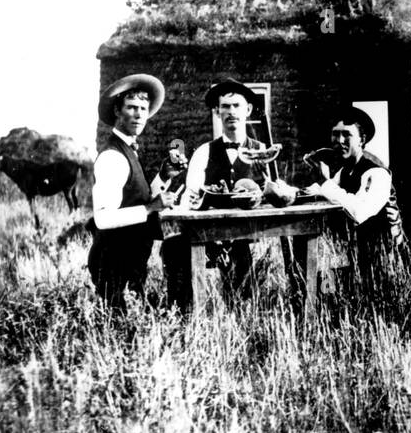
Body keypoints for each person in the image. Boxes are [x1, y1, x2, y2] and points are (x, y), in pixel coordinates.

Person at [168, 77, 289, 304]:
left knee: (246, 297)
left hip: (251, 236)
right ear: (217, 111)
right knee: (176, 251)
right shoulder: (204, 152)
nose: (231, 112)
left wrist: (269, 188)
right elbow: (190, 197)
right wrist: (197, 198)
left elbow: (274, 195)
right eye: (225, 106)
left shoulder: (263, 150)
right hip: (212, 235)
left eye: (237, 106)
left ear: (248, 110)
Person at [88, 73, 175, 312]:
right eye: (131, 107)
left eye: (143, 109)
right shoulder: (112, 156)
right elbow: (103, 218)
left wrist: (164, 176)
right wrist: (150, 208)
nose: (138, 114)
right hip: (113, 260)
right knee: (118, 328)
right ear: (117, 111)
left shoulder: (128, 150)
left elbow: (136, 197)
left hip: (130, 258)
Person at [303, 106, 406, 295]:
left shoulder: (377, 173)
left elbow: (359, 212)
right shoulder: (345, 171)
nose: (339, 141)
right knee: (326, 288)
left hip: (383, 262)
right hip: (356, 257)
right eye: (335, 134)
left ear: (362, 140)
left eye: (347, 135)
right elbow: (322, 192)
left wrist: (324, 182)